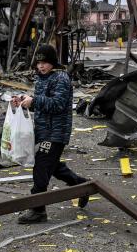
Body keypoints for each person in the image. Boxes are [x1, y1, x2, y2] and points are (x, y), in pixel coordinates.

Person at [12, 44, 89, 224]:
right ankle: (81, 186)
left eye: (45, 62)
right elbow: (41, 105)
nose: (41, 66)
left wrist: (35, 101)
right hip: (43, 131)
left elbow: (58, 104)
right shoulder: (41, 79)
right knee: (52, 165)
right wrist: (24, 101)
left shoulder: (61, 78)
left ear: (52, 62)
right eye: (39, 62)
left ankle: (38, 210)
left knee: (41, 166)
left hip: (56, 132)